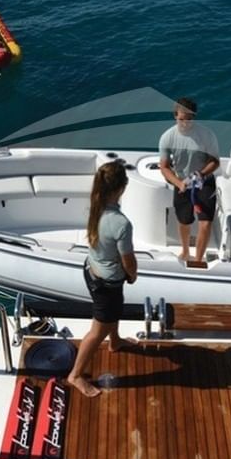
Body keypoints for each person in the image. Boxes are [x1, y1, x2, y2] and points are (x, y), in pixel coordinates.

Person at [66, 160, 138, 398]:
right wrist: (133, 275)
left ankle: (115, 340)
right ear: (120, 189)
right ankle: (76, 375)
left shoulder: (95, 207)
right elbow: (128, 260)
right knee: (98, 330)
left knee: (112, 313)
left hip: (91, 271)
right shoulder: (121, 223)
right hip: (106, 284)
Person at [158, 97, 220, 267]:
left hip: (204, 181)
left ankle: (198, 260)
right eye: (181, 119)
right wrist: (179, 183)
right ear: (175, 116)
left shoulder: (207, 135)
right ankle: (185, 251)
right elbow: (164, 167)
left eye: (190, 119)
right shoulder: (167, 138)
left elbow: (215, 162)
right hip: (182, 183)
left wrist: (201, 174)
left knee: (205, 223)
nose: (185, 123)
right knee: (184, 221)